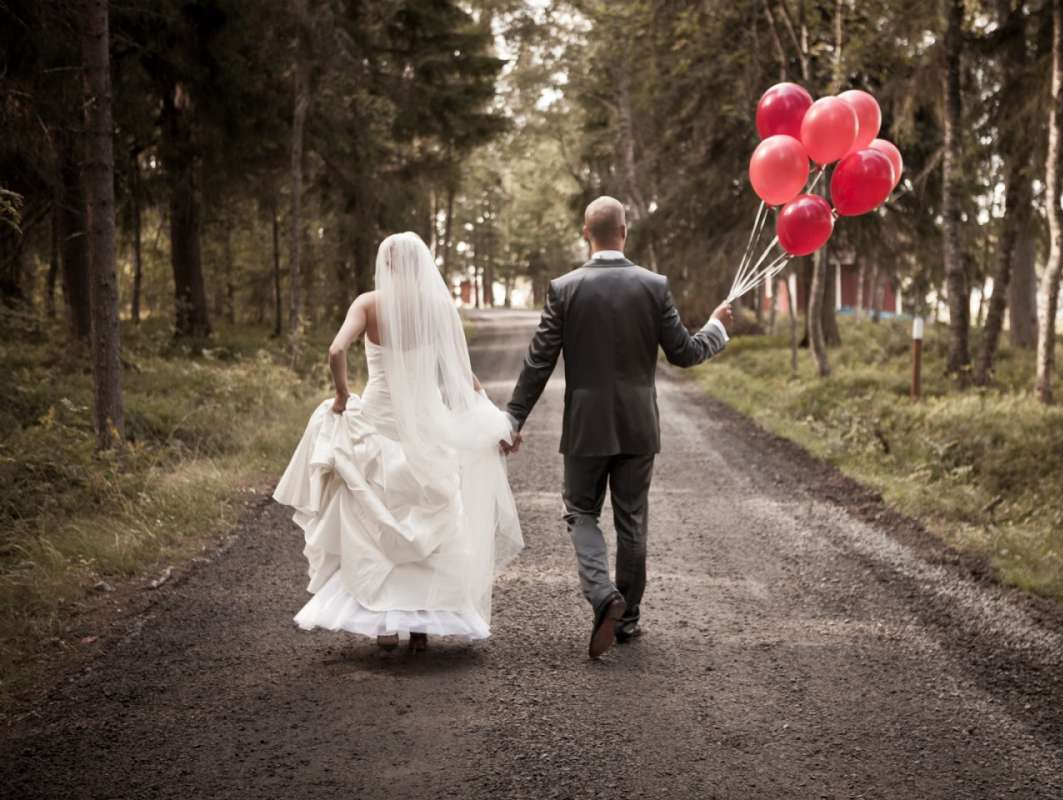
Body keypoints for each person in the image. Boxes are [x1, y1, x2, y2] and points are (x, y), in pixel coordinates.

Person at [503, 196, 733, 659]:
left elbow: (538, 362)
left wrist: (513, 417)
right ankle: (626, 620)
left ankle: (603, 594)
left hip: (586, 427)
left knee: (580, 511)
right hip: (637, 426)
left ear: (586, 233)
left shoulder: (564, 289)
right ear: (624, 232)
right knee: (632, 519)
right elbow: (684, 352)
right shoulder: (653, 286)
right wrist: (715, 328)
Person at [274, 232, 522, 654]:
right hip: (426, 424)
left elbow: (337, 350)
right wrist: (493, 420)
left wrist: (340, 395)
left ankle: (382, 626)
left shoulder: (368, 304)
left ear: (386, 265)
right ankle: (422, 624)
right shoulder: (438, 307)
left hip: (379, 418)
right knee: (431, 513)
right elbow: (461, 376)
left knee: (374, 517)